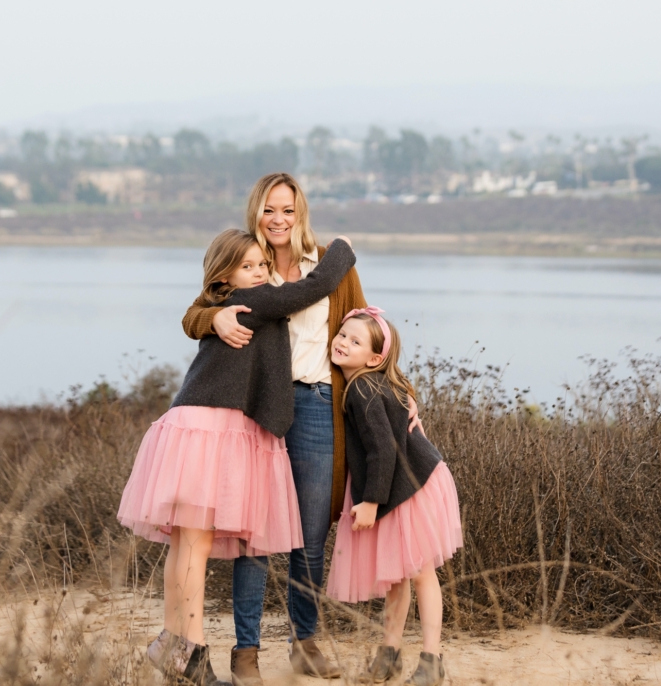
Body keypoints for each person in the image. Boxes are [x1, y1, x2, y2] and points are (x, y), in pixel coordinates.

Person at [183, 173, 419, 684]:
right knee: (253, 535)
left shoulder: (328, 267)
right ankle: (245, 652)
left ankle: (304, 642)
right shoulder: (248, 263)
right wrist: (212, 320)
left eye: (288, 209)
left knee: (310, 536)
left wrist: (401, 396)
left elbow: (366, 331)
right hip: (257, 409)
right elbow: (198, 308)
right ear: (256, 211)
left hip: (315, 405)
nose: (279, 219)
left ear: (301, 211)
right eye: (270, 209)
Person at [118, 229, 356, 686]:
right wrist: (342, 247)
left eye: (261, 265)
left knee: (186, 544)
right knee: (197, 546)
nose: (260, 273)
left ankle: (173, 645)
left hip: (194, 427)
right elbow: (314, 287)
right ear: (225, 275)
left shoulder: (227, 301)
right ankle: (192, 654)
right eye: (248, 266)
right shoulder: (255, 300)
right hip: (213, 430)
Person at [326, 307, 463, 686]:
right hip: (404, 484)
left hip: (410, 486)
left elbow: (384, 450)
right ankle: (389, 656)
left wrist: (370, 501)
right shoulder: (369, 383)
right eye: (342, 335)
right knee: (399, 576)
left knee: (419, 573)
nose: (342, 343)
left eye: (355, 341)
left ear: (374, 358)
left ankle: (432, 660)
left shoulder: (362, 389)